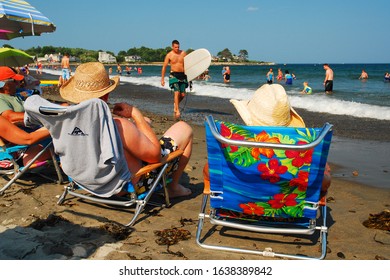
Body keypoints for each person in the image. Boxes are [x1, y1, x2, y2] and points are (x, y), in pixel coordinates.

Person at [59, 62, 193, 198]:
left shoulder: (65, 122)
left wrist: (138, 124)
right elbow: (155, 156)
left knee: (142, 126)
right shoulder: (118, 126)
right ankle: (173, 187)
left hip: (87, 182)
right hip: (124, 186)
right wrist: (136, 114)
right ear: (106, 95)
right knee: (184, 128)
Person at [229, 84, 331, 193]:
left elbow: (209, 171)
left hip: (240, 204)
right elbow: (324, 183)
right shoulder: (303, 150)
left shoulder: (233, 146)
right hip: (288, 206)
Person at [161, 40, 188, 120]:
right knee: (177, 92)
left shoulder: (183, 53)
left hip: (183, 75)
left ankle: (175, 105)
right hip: (174, 75)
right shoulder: (169, 55)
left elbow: (189, 64)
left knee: (182, 95)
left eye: (178, 47)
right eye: (175, 47)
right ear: (172, 47)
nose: (177, 48)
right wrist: (162, 79)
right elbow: (164, 67)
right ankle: (177, 110)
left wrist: (191, 75)